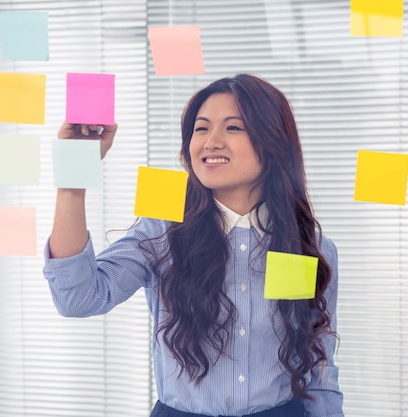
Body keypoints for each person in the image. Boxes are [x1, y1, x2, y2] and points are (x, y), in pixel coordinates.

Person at [43, 73, 344, 417]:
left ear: (273, 142)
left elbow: (318, 372)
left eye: (233, 128)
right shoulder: (163, 230)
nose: (211, 142)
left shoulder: (306, 245)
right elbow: (77, 299)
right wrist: (73, 176)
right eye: (201, 129)